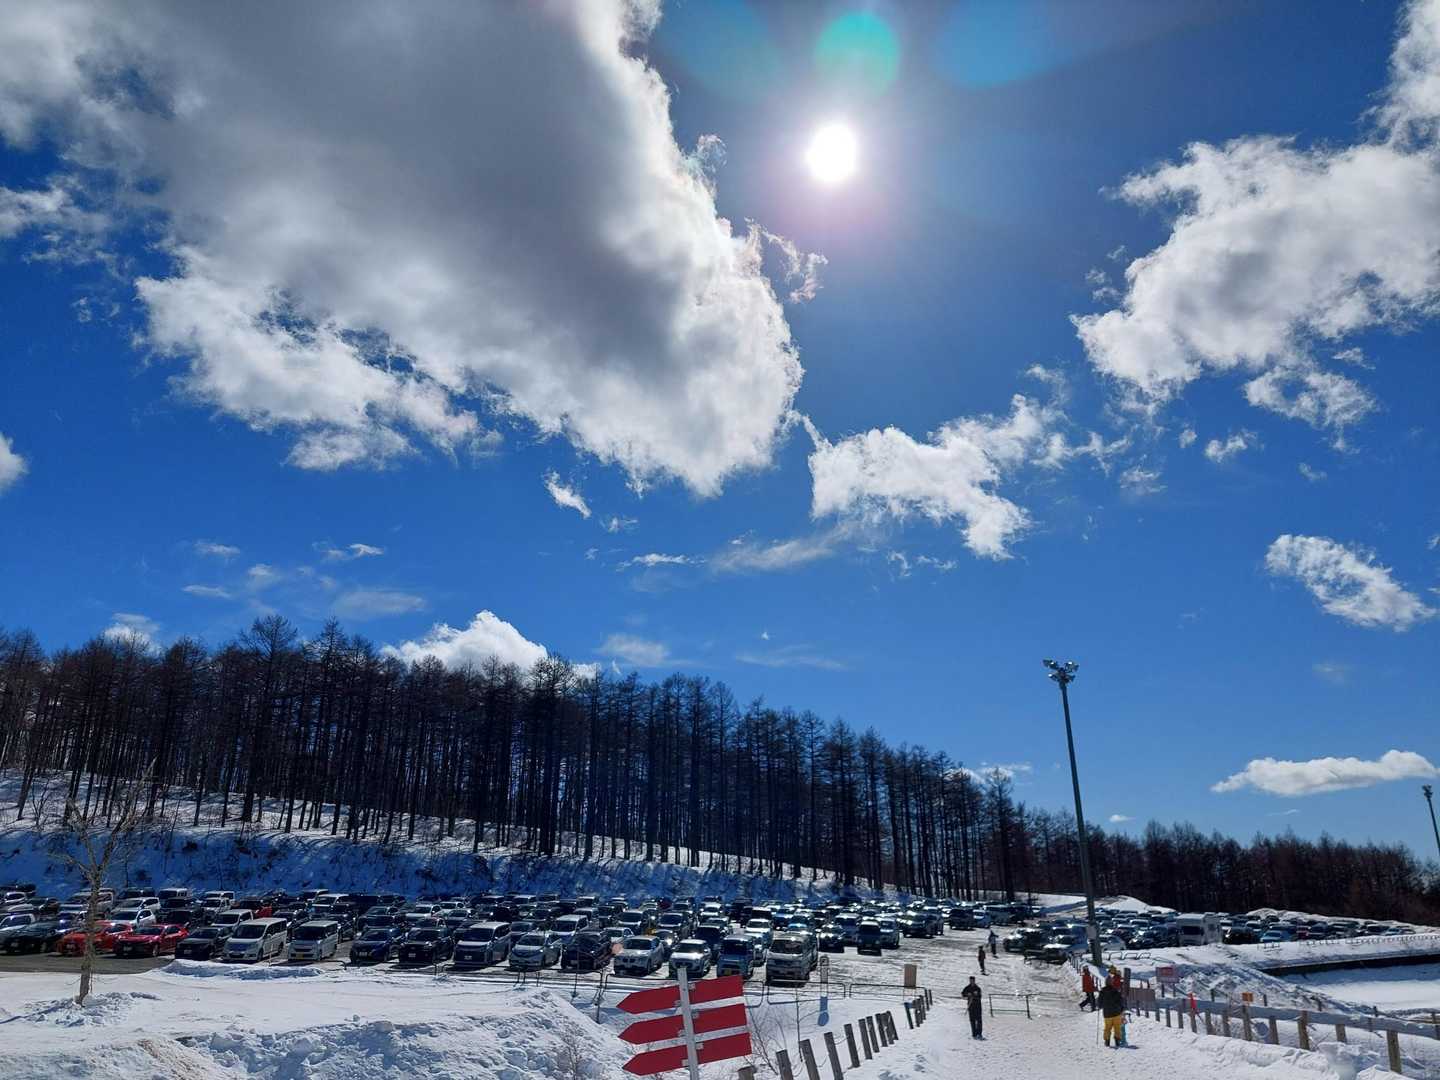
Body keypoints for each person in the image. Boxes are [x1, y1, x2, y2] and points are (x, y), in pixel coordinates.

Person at [1098, 978, 1126, 1048]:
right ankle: (1117, 1041)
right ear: (1112, 983)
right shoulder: (1115, 991)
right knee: (1117, 1027)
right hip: (1116, 1013)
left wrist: (1101, 1005)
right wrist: (1122, 1008)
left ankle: (1107, 1041)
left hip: (1107, 1014)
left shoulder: (1102, 992)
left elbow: (1099, 1004)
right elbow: (1120, 1001)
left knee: (1107, 1028)